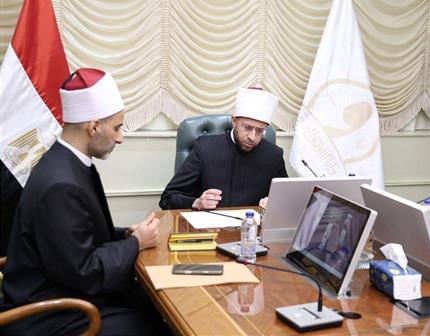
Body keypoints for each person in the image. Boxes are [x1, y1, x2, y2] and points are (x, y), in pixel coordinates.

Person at [1, 68, 164, 335]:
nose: (120, 137)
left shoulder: (67, 161)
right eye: (117, 127)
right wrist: (136, 243)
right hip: (49, 311)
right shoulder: (61, 184)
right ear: (94, 127)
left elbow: (79, 235)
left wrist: (126, 234)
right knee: (153, 322)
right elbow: (84, 270)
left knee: (153, 308)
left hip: (64, 291)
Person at [159, 87, 288, 210]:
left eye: (260, 131)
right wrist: (196, 202)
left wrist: (274, 203)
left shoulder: (274, 154)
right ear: (234, 121)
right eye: (247, 127)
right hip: (210, 224)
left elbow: (287, 198)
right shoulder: (205, 148)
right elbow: (168, 197)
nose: (252, 137)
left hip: (253, 224)